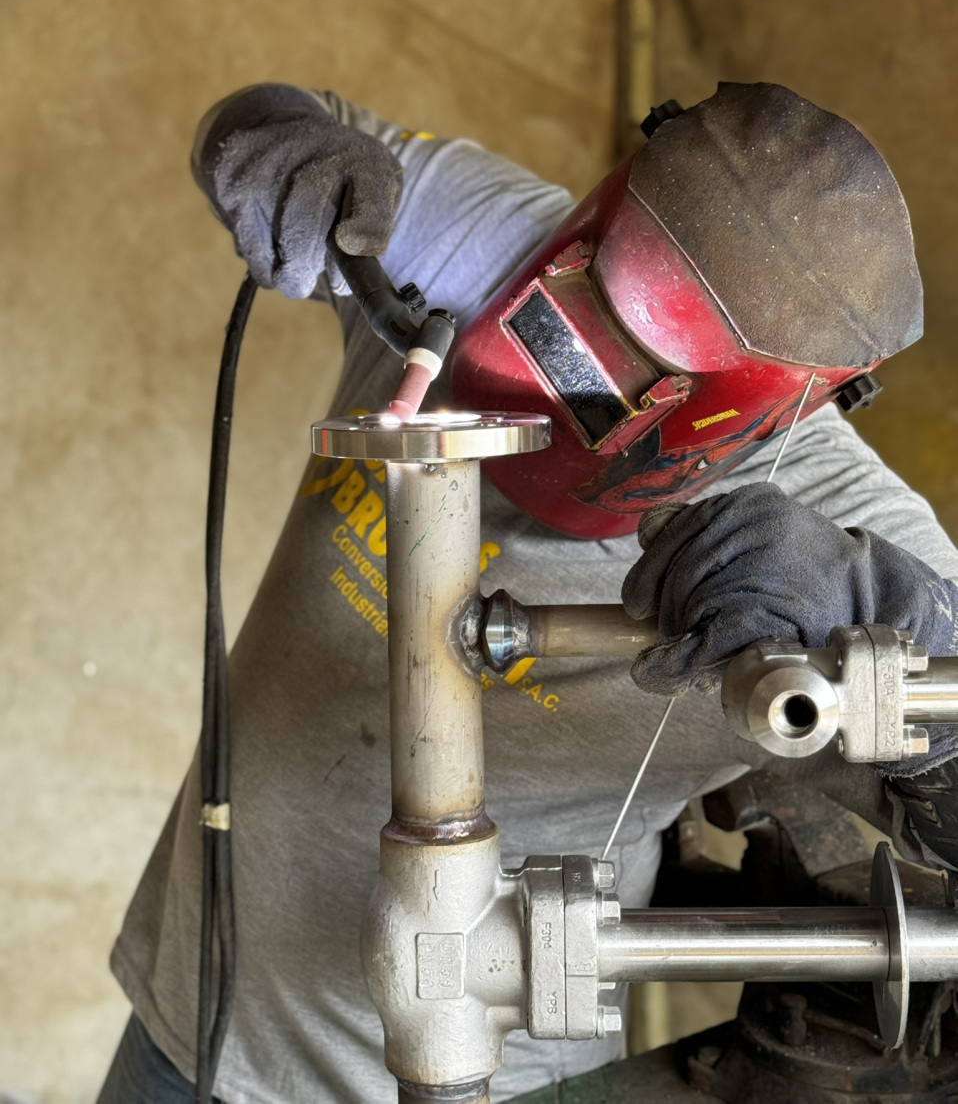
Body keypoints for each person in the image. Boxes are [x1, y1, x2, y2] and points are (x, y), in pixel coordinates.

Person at [99, 81, 958, 1104]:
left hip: (485, 1069)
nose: (569, 360)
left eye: (636, 362)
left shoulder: (836, 522)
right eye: (584, 293)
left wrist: (879, 607)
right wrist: (270, 133)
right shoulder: (485, 240)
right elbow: (284, 121)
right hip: (194, 995)